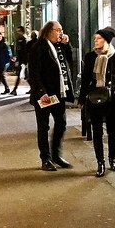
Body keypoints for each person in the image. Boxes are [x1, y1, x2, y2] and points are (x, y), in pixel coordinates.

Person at [78, 27, 115, 177]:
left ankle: (112, 159)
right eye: (95, 38)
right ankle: (100, 162)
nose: (95, 41)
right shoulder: (90, 57)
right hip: (94, 97)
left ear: (106, 41)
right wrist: (81, 99)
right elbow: (84, 79)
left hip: (110, 99)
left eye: (98, 38)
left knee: (112, 131)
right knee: (96, 132)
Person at [28, 20, 76, 171]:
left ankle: (56, 155)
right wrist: (41, 92)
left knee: (61, 123)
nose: (60, 33)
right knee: (43, 126)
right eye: (58, 30)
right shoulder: (38, 47)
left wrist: (67, 44)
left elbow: (69, 61)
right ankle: (46, 159)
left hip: (59, 93)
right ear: (49, 31)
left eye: (61, 30)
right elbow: (34, 73)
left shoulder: (59, 45)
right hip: (45, 95)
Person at [10, 26, 30, 95]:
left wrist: (19, 60)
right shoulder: (22, 39)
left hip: (23, 60)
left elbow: (23, 51)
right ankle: (32, 88)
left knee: (20, 74)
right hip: (22, 60)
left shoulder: (23, 39)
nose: (18, 32)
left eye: (19, 31)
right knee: (24, 75)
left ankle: (15, 89)